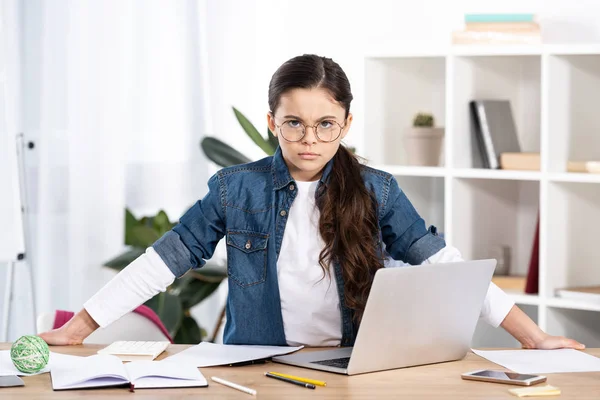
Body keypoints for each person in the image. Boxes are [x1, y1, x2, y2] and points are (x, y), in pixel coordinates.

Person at [40, 54, 583, 350]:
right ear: (272, 120)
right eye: (294, 123)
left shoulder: (378, 189)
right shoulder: (236, 187)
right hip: (253, 367)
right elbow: (165, 259)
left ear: (346, 124)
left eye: (326, 125)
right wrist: (77, 329)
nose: (309, 139)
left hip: (347, 365)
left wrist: (533, 338)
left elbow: (445, 264)